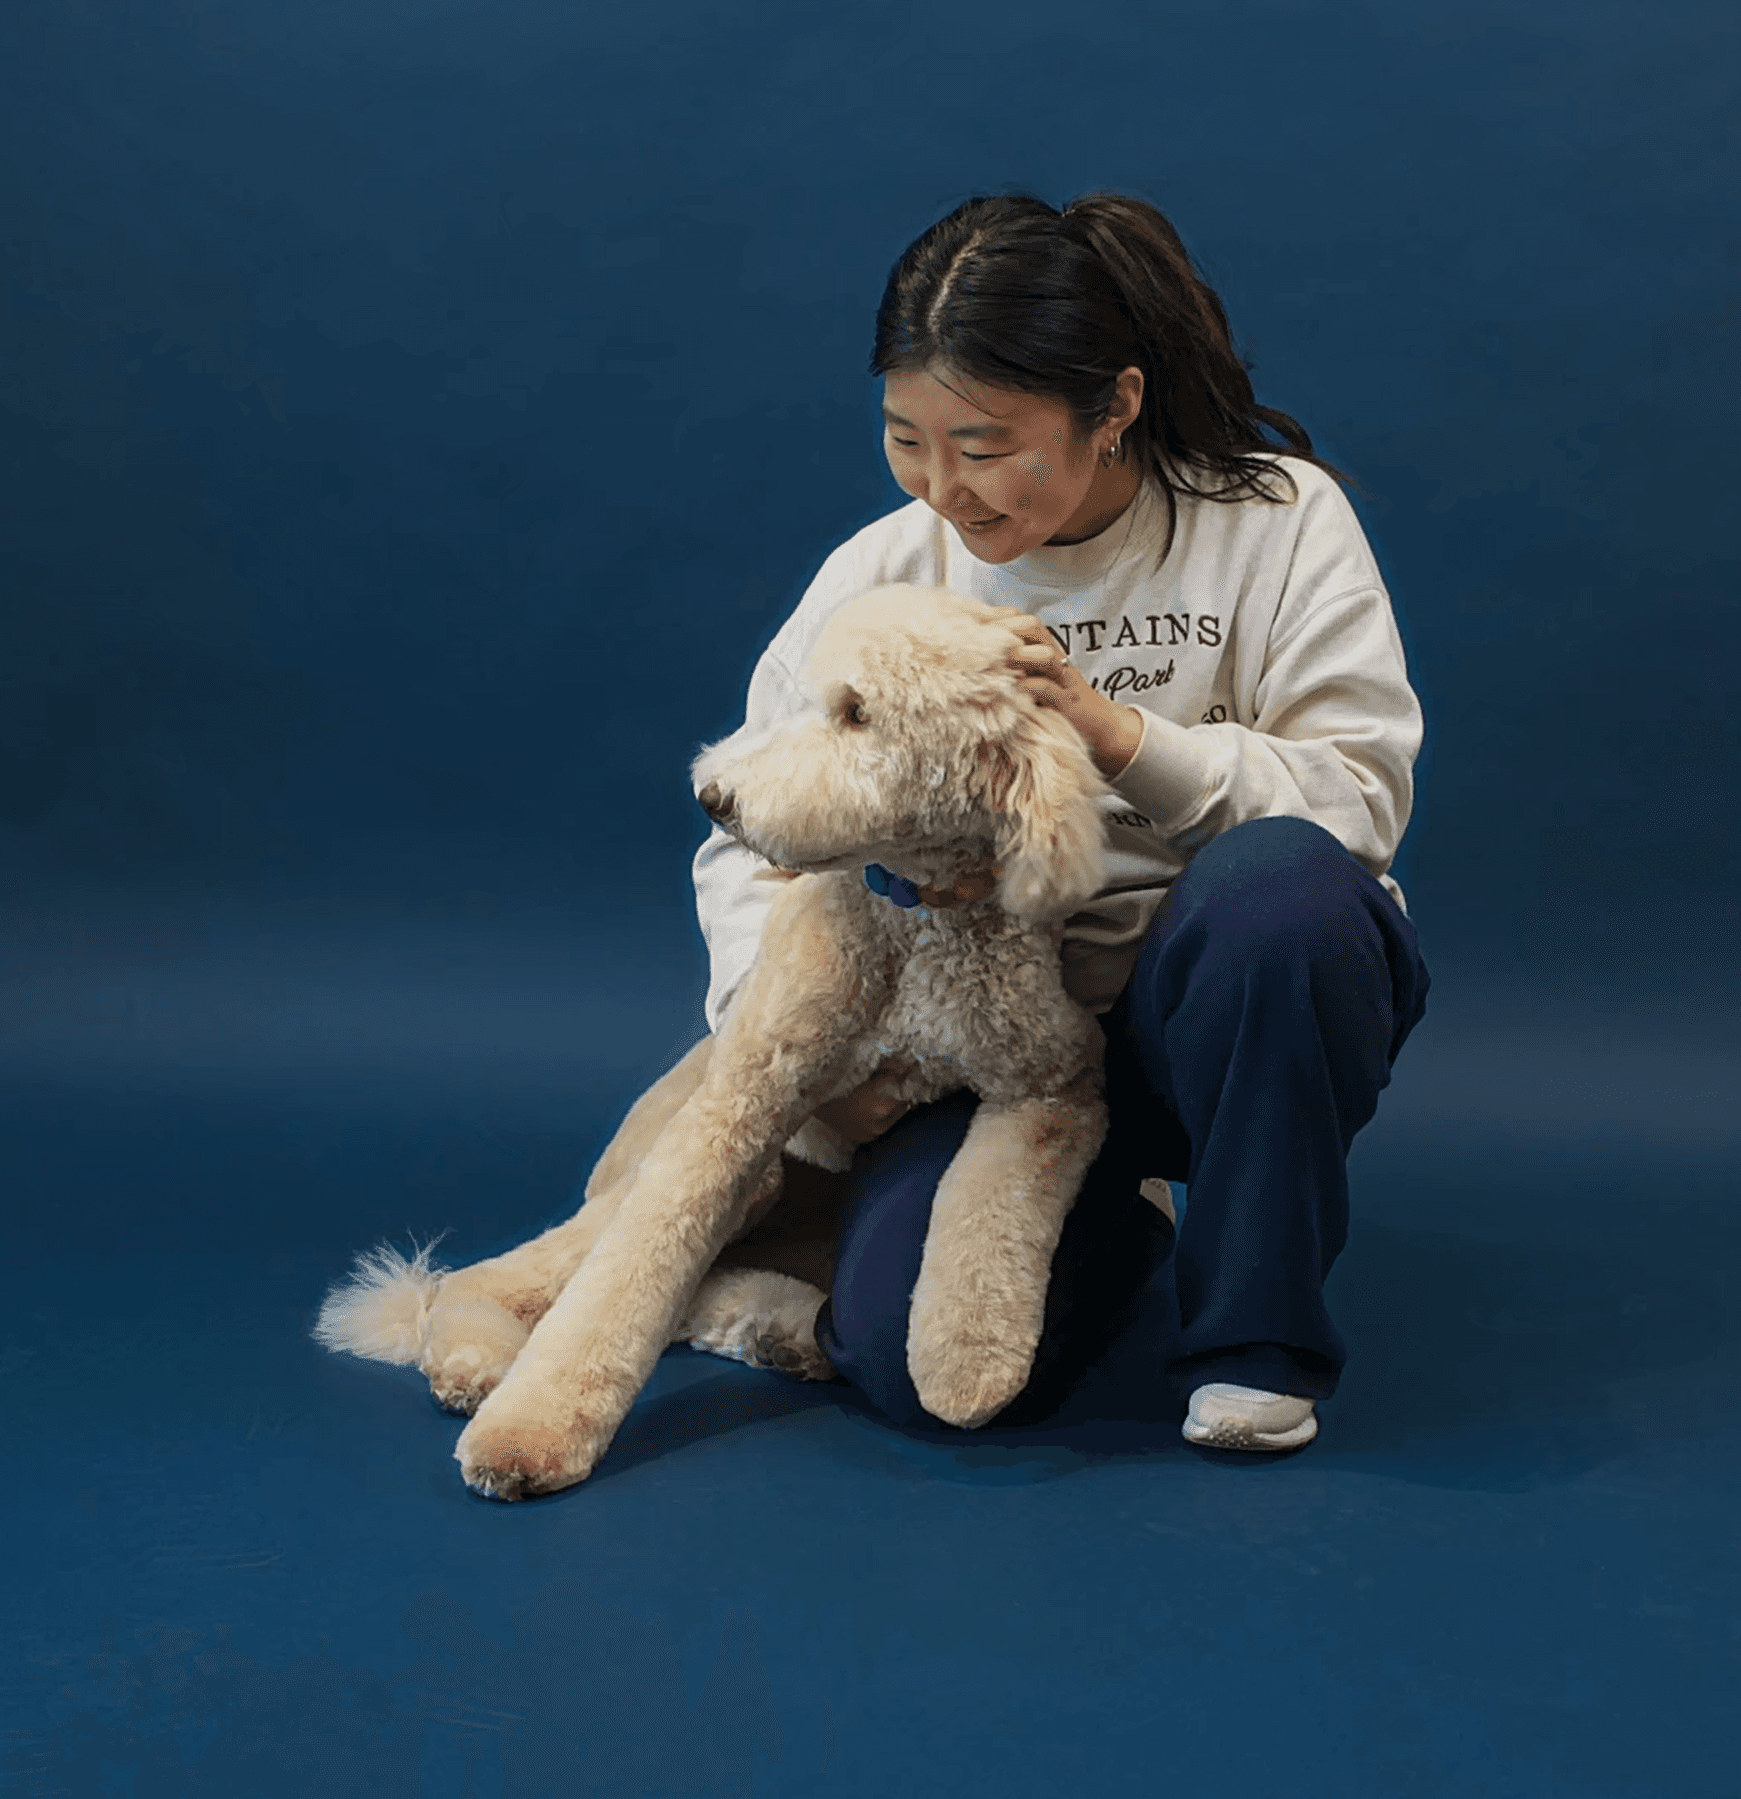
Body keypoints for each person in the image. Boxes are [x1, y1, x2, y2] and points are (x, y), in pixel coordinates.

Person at [692, 189, 1431, 1453]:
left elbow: (1357, 799)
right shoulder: (883, 574)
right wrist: (819, 1065)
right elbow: (751, 828)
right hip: (989, 1053)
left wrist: (1115, 736)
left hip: (1213, 1027)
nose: (944, 489)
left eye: (984, 445)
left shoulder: (1274, 522)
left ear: (1115, 408)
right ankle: (1113, 1215)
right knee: (911, 1362)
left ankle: (1256, 1337)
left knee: (1280, 893)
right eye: (905, 437)